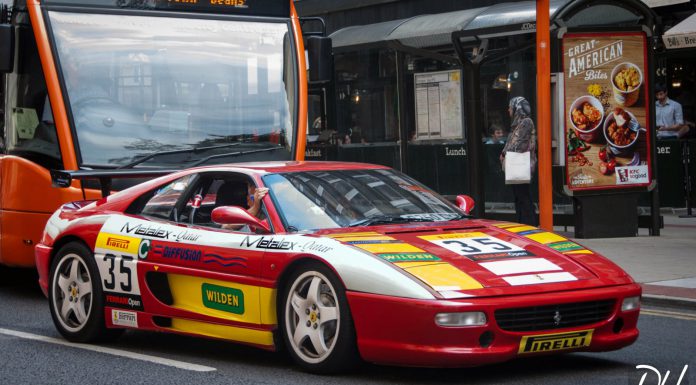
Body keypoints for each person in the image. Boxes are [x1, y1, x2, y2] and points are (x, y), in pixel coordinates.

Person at [500, 96, 537, 226]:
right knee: (519, 196)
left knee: (523, 196)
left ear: (517, 108)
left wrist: (505, 152)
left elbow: (519, 143)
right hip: (517, 164)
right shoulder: (518, 123)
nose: (509, 110)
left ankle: (530, 223)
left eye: (511, 107)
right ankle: (523, 222)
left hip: (521, 164)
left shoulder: (526, 122)